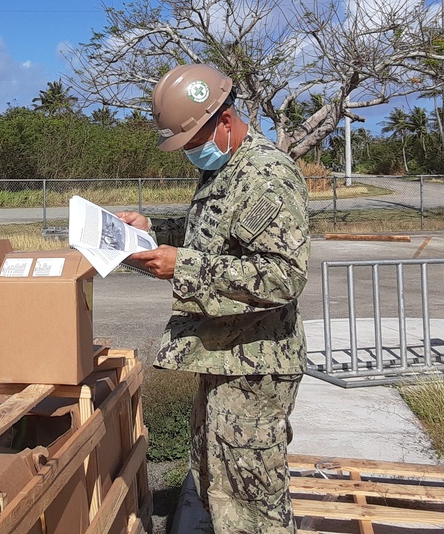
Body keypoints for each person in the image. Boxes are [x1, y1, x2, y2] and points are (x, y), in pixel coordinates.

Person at [117, 63, 310, 534]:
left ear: (224, 121)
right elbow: (214, 242)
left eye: (191, 141)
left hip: (255, 366)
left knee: (251, 499)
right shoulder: (225, 168)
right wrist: (150, 235)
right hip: (225, 357)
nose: (189, 153)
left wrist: (181, 266)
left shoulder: (266, 175)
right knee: (217, 479)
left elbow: (283, 275)